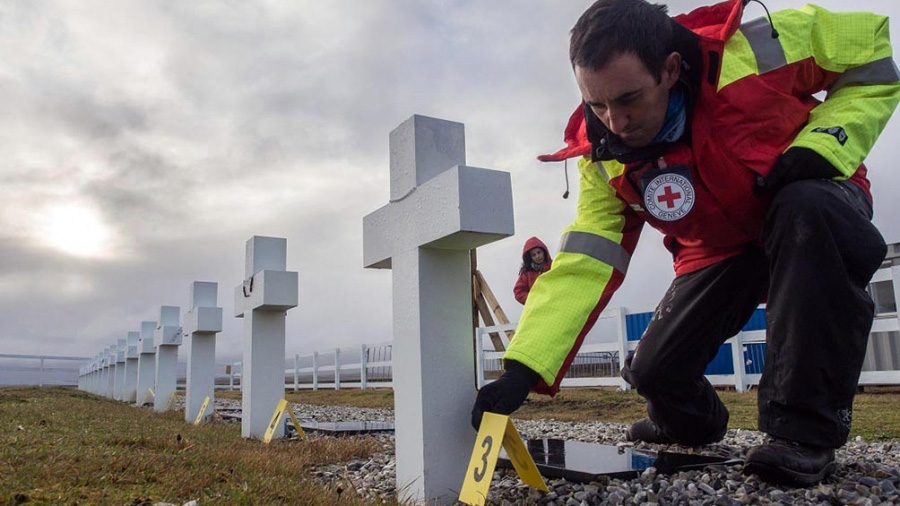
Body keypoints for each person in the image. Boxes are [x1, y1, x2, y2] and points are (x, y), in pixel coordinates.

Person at [472, 0, 899, 487]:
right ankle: (690, 422)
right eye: (597, 104)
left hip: (809, 202)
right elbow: (585, 264)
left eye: (629, 98)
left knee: (807, 210)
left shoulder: (754, 52)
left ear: (670, 69)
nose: (616, 121)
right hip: (718, 250)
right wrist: (523, 368)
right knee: (653, 371)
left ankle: (801, 434)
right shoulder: (603, 159)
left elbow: (872, 53)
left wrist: (825, 142)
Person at [514, 237, 553, 304]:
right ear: (530, 258)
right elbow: (518, 292)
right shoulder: (526, 273)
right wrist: (533, 300)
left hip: (554, 302)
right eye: (533, 255)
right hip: (537, 308)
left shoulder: (554, 266)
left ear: (544, 252)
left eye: (539, 252)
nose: (537, 256)